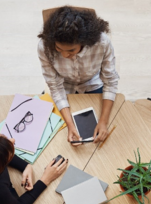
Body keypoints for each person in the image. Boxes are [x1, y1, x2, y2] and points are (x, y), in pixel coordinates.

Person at [37, 6, 119, 146]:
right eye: (58, 48)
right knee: (51, 132)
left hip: (92, 82)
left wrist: (103, 122)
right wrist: (70, 125)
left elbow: (110, 82)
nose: (64, 55)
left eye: (71, 50)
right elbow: (55, 87)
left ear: (85, 41)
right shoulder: (44, 46)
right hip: (63, 85)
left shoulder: (102, 43)